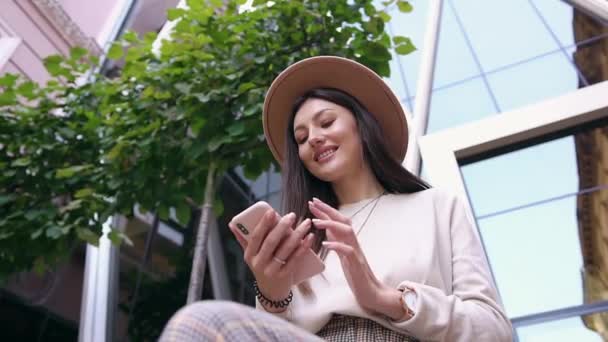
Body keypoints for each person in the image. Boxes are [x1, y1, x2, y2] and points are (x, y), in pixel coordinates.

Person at [159, 56, 513, 341]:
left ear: (363, 125)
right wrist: (271, 292)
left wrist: (386, 299)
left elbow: (494, 330)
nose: (313, 138)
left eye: (326, 122)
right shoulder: (297, 238)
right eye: (300, 137)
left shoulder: (437, 207)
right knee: (198, 329)